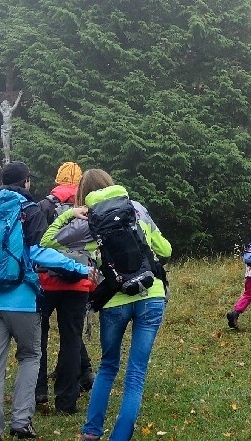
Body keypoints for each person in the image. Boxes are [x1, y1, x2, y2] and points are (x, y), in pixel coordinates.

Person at [43, 168, 171, 441]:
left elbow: (47, 240)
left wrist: (68, 214)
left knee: (108, 366)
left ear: (83, 193)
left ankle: (91, 432)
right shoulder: (135, 208)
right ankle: (120, 438)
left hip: (114, 299)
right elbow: (166, 250)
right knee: (135, 375)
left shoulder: (89, 219)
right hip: (151, 295)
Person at [0, 162, 88, 441]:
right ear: (26, 181)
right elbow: (39, 252)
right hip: (23, 300)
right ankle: (21, 421)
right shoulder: (29, 209)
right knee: (30, 355)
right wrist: (81, 269)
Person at [33, 160, 95, 416]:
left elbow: (37, 242)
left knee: (38, 340)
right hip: (78, 283)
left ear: (57, 180)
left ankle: (38, 393)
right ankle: (66, 402)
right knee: (71, 340)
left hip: (46, 282)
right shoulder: (89, 207)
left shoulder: (44, 206)